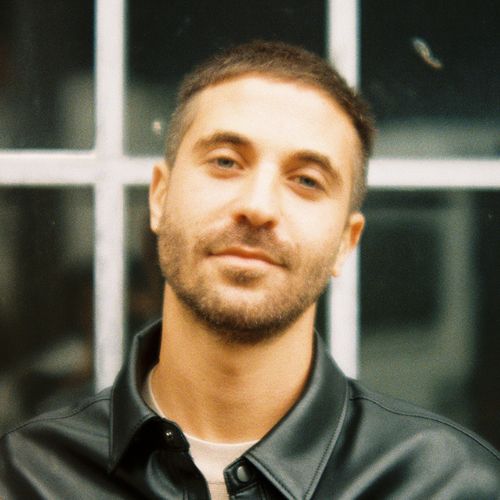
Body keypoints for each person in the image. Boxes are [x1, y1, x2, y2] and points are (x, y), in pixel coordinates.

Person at [0, 40, 498, 499]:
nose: (258, 207)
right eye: (225, 162)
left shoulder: (448, 484)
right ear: (159, 198)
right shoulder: (25, 477)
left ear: (345, 243)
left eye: (306, 180)